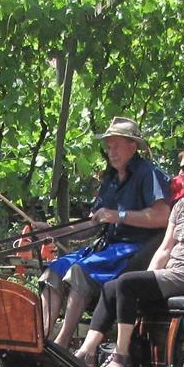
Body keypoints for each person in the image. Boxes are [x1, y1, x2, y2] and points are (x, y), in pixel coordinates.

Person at [74, 144, 184, 367]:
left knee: (126, 284)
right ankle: (84, 353)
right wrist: (149, 277)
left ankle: (121, 357)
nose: (180, 174)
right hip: (173, 272)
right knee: (113, 286)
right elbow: (165, 248)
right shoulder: (180, 206)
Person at [40, 117, 170, 348]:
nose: (111, 152)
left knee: (79, 271)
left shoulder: (148, 173)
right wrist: (56, 233)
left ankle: (62, 344)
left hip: (134, 251)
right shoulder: (109, 179)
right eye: (108, 147)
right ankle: (42, 339)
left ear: (132, 145)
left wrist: (119, 215)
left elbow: (162, 217)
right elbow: (93, 224)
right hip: (107, 249)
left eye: (116, 146)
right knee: (54, 270)